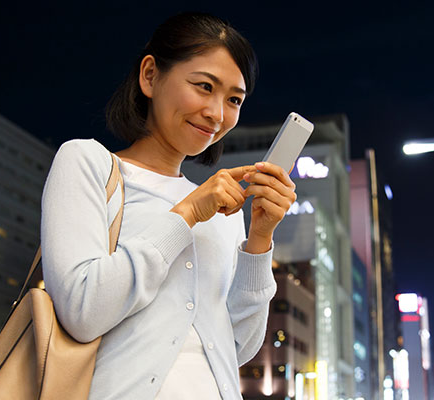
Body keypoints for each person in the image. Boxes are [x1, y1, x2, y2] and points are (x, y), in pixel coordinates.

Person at [40, 12, 296, 400]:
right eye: (204, 86)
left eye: (234, 99)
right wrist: (187, 214)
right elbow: (82, 311)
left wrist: (259, 240)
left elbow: (238, 348)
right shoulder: (87, 163)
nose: (217, 113)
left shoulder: (224, 212)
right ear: (149, 76)